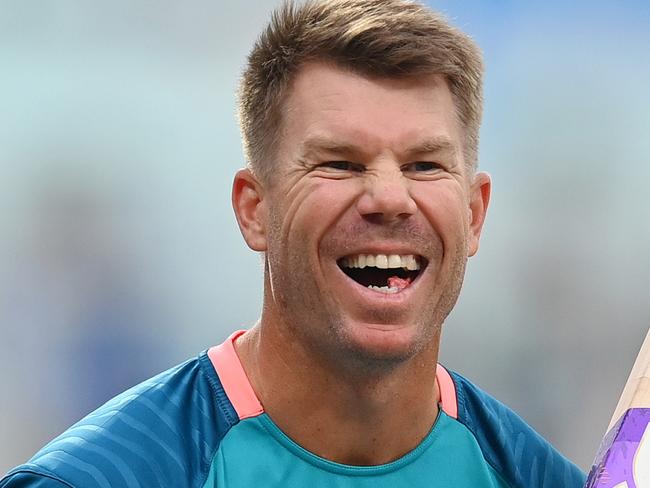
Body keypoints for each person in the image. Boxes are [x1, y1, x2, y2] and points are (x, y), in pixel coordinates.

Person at [1, 0, 587, 486]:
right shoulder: (103, 478)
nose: (389, 197)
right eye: (339, 163)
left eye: (425, 165)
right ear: (255, 210)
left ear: (475, 213)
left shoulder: (534, 478)